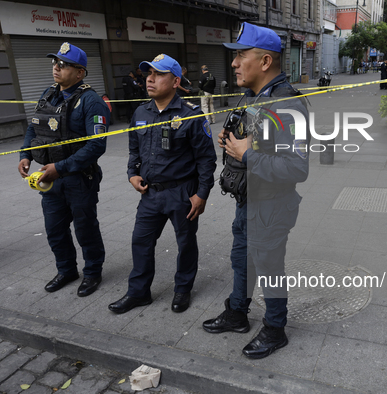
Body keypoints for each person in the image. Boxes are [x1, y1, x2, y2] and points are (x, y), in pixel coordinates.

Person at [202, 22, 309, 359]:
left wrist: (246, 154)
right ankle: (237, 313)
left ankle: (275, 329)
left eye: (241, 56)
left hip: (272, 206)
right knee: (242, 261)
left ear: (265, 61)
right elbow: (252, 136)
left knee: (269, 267)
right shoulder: (253, 96)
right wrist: (231, 142)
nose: (233, 63)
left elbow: (297, 168)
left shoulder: (289, 104)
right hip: (248, 200)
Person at [108, 54, 217, 315]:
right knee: (141, 242)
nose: (150, 79)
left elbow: (207, 159)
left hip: (182, 193)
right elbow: (134, 149)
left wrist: (201, 195)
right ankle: (138, 292)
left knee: (186, 244)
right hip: (150, 194)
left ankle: (182, 289)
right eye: (148, 74)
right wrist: (132, 174)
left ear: (176, 81)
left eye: (158, 74)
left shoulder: (191, 115)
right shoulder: (140, 112)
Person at [17, 42, 109, 297]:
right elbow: (33, 127)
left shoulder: (92, 102)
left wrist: (61, 167)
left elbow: (97, 145)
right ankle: (66, 270)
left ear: (80, 73)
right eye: (55, 62)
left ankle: (92, 273)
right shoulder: (48, 94)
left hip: (79, 178)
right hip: (51, 179)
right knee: (55, 230)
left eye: (64, 64)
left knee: (85, 229)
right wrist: (25, 155)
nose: (57, 67)